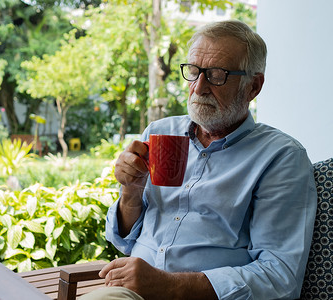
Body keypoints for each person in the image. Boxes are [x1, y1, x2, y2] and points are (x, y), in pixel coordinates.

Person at [80, 20, 317, 300]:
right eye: (193, 72)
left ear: (253, 86)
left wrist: (167, 285)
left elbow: (280, 276)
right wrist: (130, 192)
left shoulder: (280, 157)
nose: (199, 87)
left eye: (217, 75)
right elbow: (124, 241)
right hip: (127, 291)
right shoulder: (159, 133)